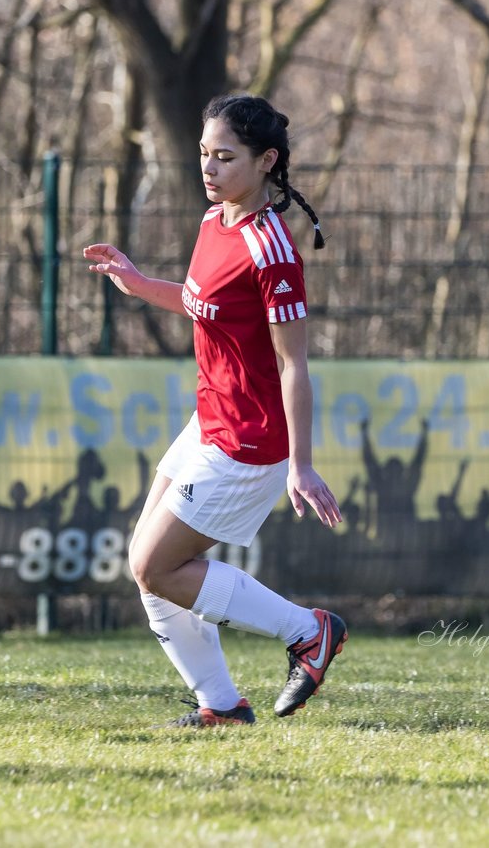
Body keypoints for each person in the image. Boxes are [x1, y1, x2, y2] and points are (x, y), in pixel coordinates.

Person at [83, 93, 347, 727]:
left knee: (156, 565)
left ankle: (307, 631)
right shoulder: (213, 221)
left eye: (225, 157)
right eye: (204, 153)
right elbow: (204, 302)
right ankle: (221, 705)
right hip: (210, 420)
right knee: (147, 566)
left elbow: (294, 366)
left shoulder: (274, 251)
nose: (209, 167)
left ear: (266, 162)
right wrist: (141, 284)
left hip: (249, 441)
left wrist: (301, 465)